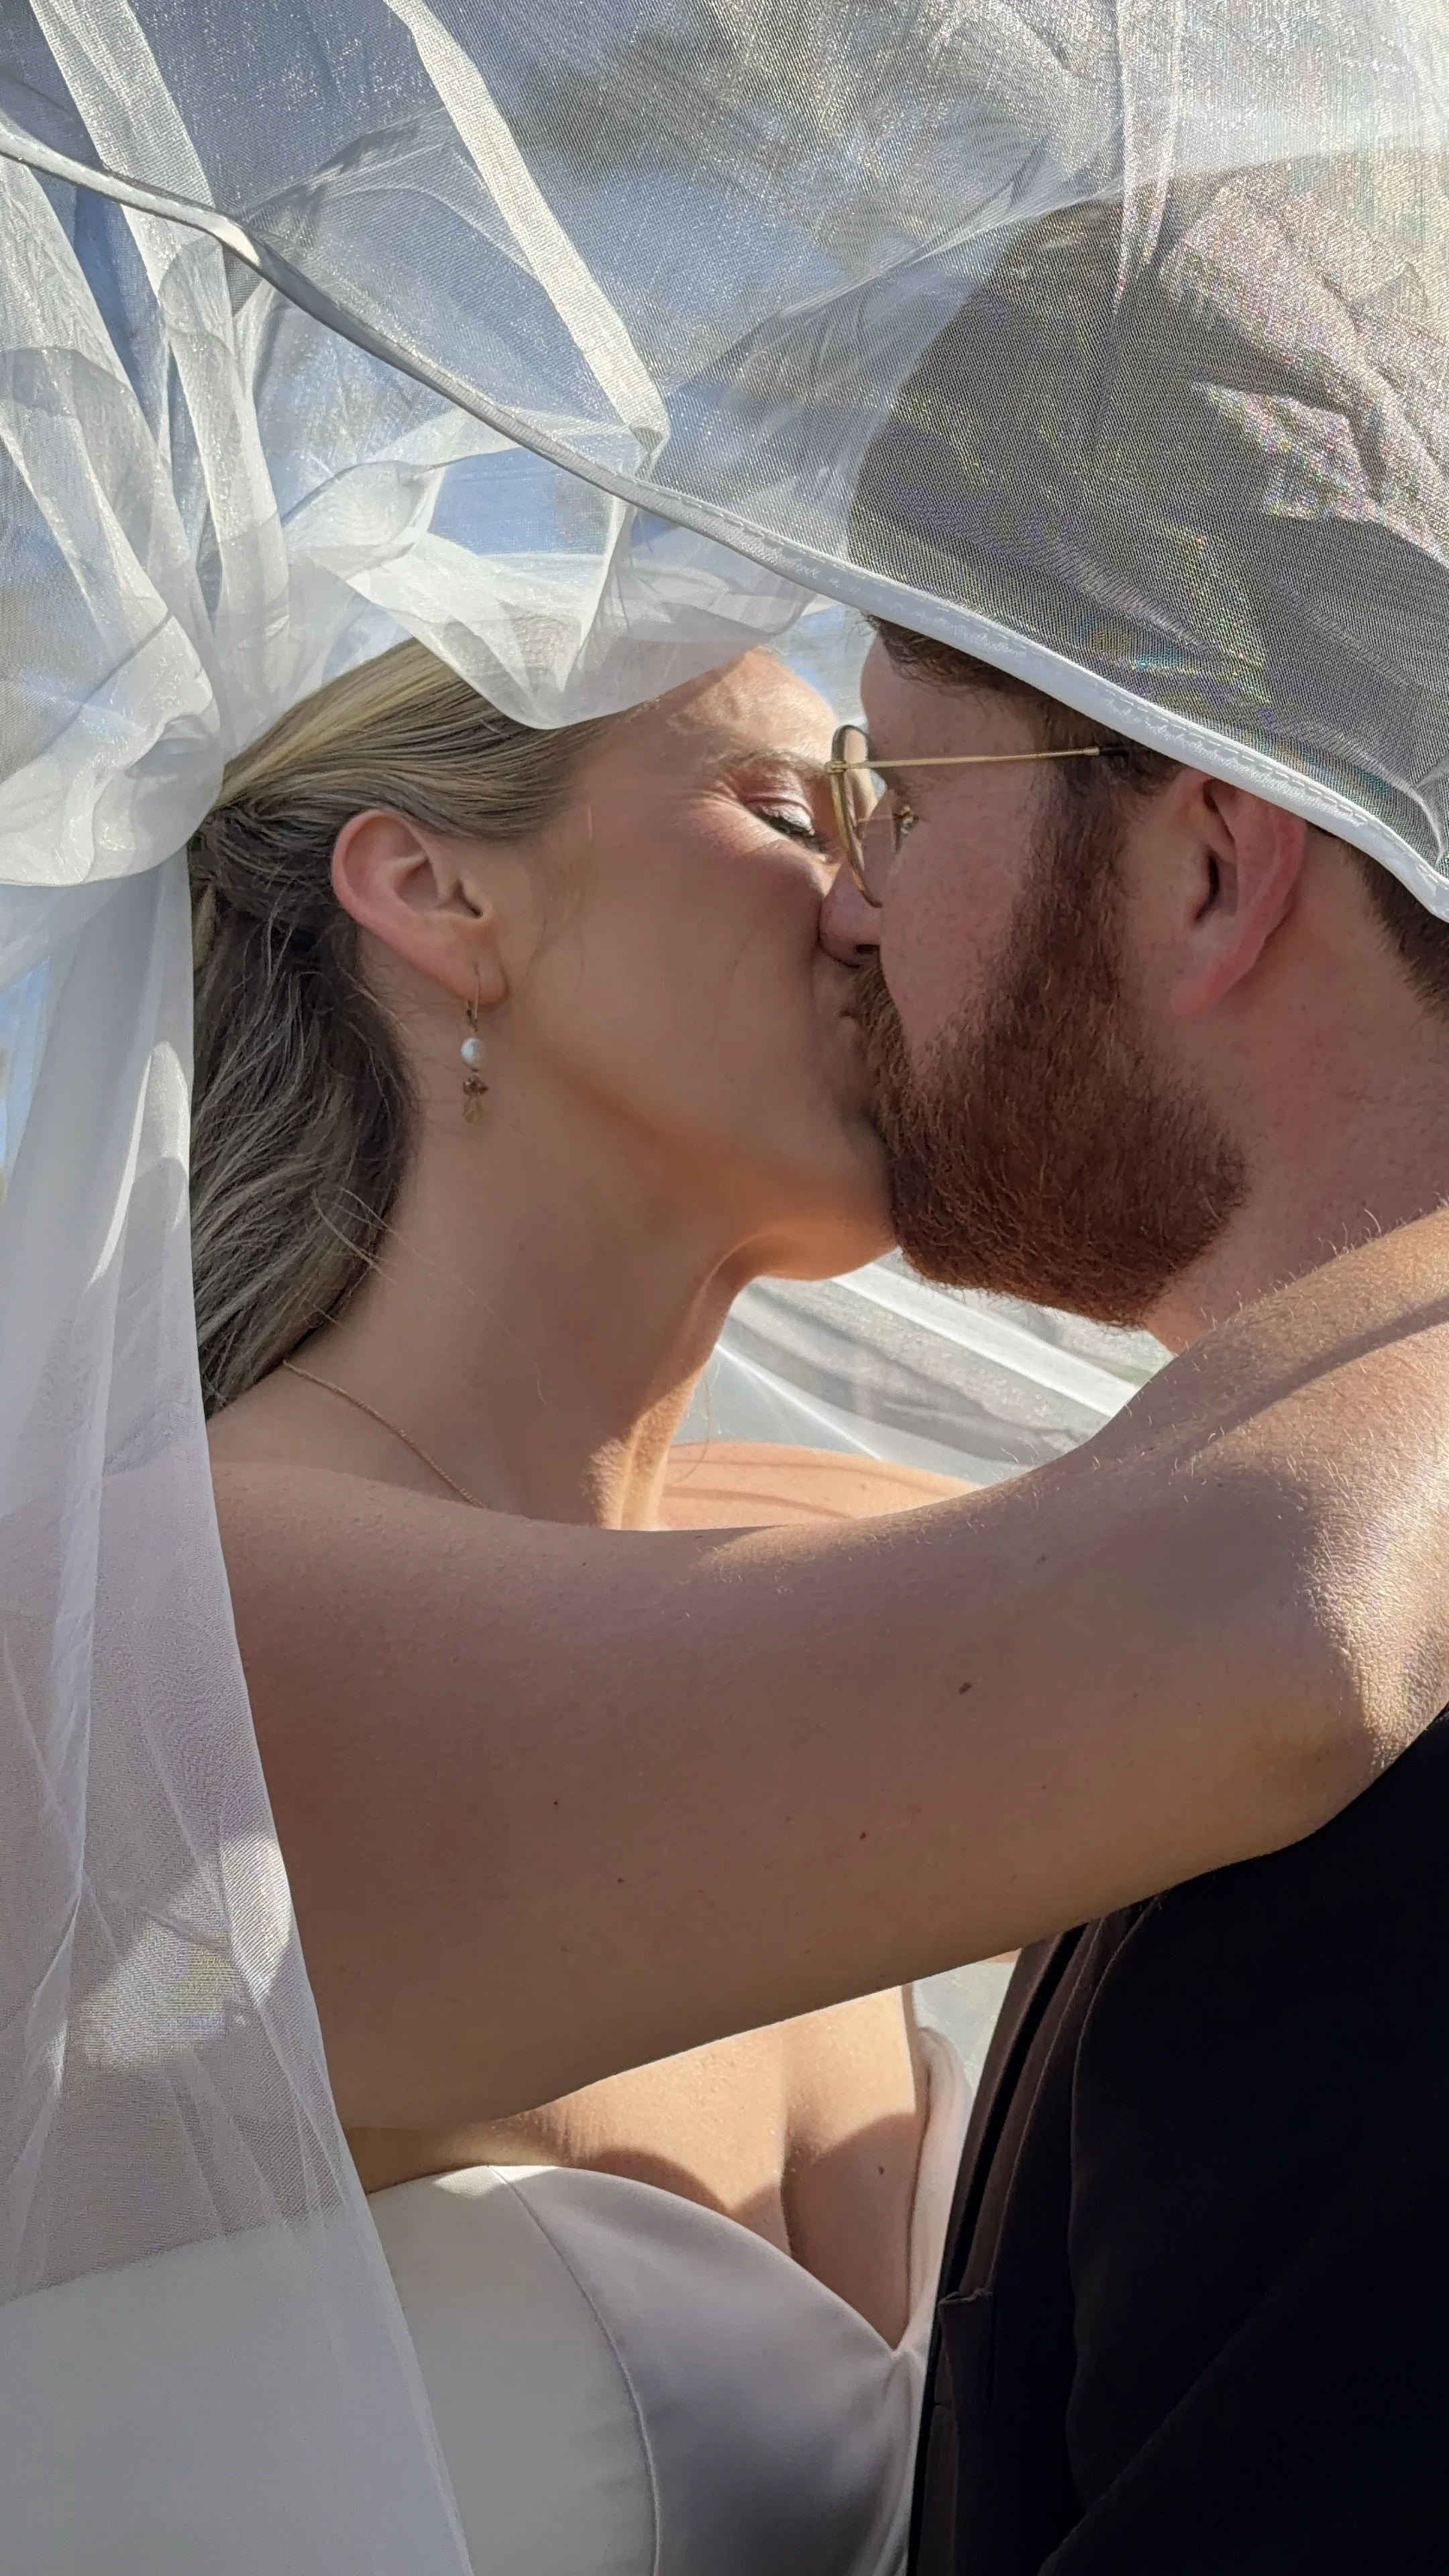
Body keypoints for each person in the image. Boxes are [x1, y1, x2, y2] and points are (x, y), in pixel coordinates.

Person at [197, 631, 1449, 2576]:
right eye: (802, 811)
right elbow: (1286, 1608)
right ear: (440, 892)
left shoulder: (859, 1561)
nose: (871, 906)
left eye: (895, 811)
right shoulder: (190, 1613)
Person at [822, 184, 1449, 2575]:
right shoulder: (1194, 1629)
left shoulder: (1373, 1744)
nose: (847, 902)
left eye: (891, 792)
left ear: (1208, 861)